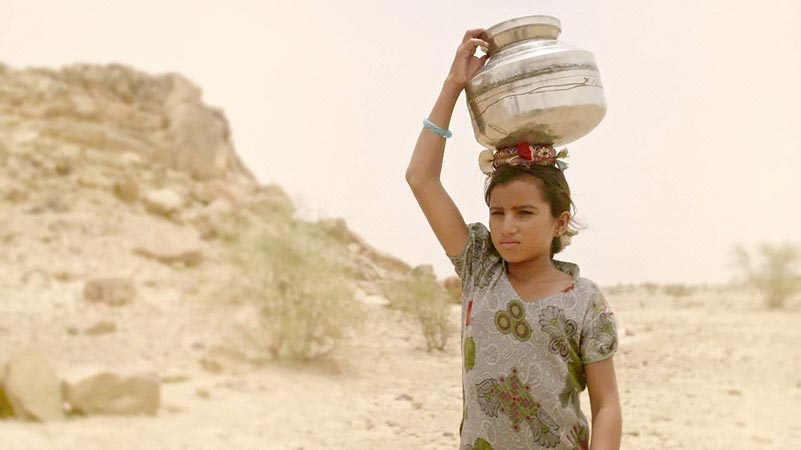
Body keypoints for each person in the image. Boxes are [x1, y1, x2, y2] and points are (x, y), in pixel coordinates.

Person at [405, 29, 622, 450]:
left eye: (525, 213)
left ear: (560, 223)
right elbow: (421, 178)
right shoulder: (479, 269)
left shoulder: (585, 301)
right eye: (498, 212)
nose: (507, 227)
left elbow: (606, 404)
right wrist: (452, 85)